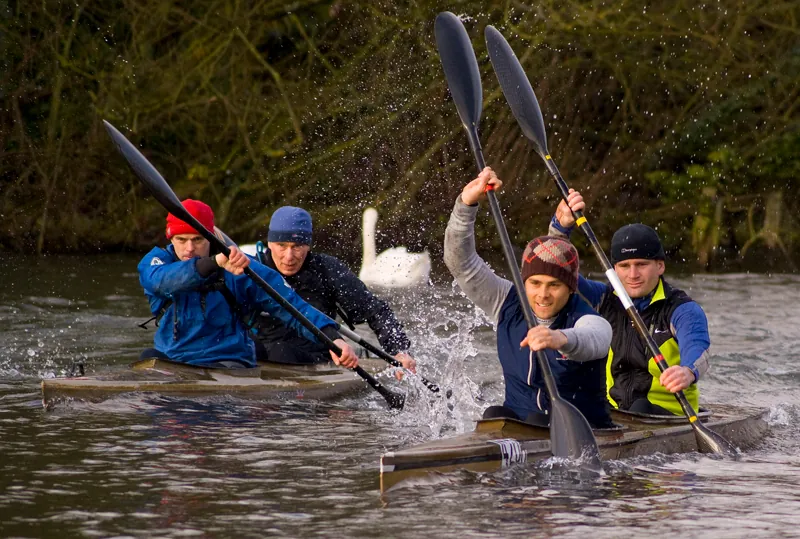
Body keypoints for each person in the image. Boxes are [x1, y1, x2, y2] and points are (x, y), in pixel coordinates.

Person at [444, 168, 614, 428]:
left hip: (582, 428)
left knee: (538, 419)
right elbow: (460, 264)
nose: (542, 294)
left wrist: (559, 338)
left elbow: (597, 339)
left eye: (554, 285)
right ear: (524, 283)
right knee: (493, 415)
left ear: (571, 288)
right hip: (519, 424)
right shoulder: (506, 301)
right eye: (534, 283)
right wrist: (466, 205)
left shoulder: (586, 317)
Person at [137, 199, 359, 369]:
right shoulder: (156, 263)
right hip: (173, 358)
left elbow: (290, 306)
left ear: (211, 238)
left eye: (197, 240)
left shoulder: (241, 267)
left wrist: (333, 339)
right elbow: (162, 281)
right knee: (147, 358)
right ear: (170, 239)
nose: (189, 249)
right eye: (181, 240)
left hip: (227, 362)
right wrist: (215, 263)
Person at [549, 189, 711, 416]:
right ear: (614, 270)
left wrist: (687, 371)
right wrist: (560, 227)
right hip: (615, 413)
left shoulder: (682, 309)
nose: (633, 274)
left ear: (660, 266)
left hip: (670, 413)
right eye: (624, 266)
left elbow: (698, 349)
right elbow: (556, 271)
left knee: (640, 406)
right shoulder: (603, 299)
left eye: (641, 264)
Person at [248, 206, 417, 376]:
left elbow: (377, 312)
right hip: (257, 353)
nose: (289, 256)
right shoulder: (249, 270)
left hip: (315, 357)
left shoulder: (327, 270)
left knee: (280, 350)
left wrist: (399, 350)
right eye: (281, 246)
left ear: (308, 245)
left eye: (297, 246)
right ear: (269, 243)